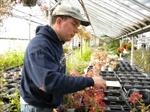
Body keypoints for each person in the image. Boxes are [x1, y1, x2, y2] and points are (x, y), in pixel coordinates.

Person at [19, 3, 107, 112]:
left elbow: (56, 76)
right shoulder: (40, 46)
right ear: (59, 22)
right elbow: (50, 83)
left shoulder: (56, 42)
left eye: (78, 26)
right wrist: (90, 81)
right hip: (37, 107)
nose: (76, 30)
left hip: (48, 104)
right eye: (74, 24)